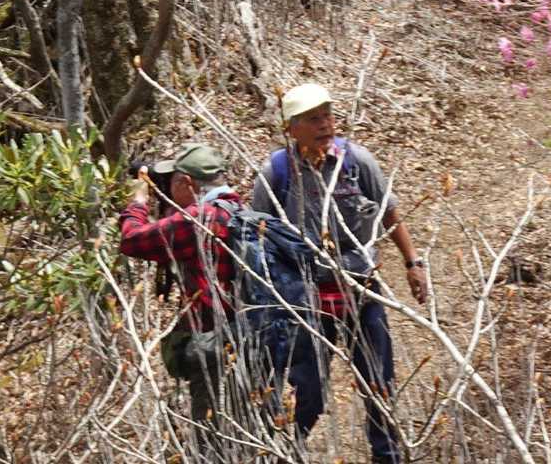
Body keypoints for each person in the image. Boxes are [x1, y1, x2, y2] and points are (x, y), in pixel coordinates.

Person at [251, 83, 429, 464]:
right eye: (313, 119)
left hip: (361, 288)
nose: (325, 125)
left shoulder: (356, 162)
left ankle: (387, 456)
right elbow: (258, 233)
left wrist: (413, 263)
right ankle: (288, 450)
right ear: (291, 128)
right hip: (306, 297)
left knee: (379, 382)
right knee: (308, 390)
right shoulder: (276, 173)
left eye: (328, 116)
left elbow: (388, 211)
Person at [118, 141, 245, 458]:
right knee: (245, 431)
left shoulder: (196, 221)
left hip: (213, 344)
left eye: (173, 182)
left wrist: (138, 202)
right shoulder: (240, 210)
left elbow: (132, 240)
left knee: (210, 440)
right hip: (250, 339)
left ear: (186, 182)